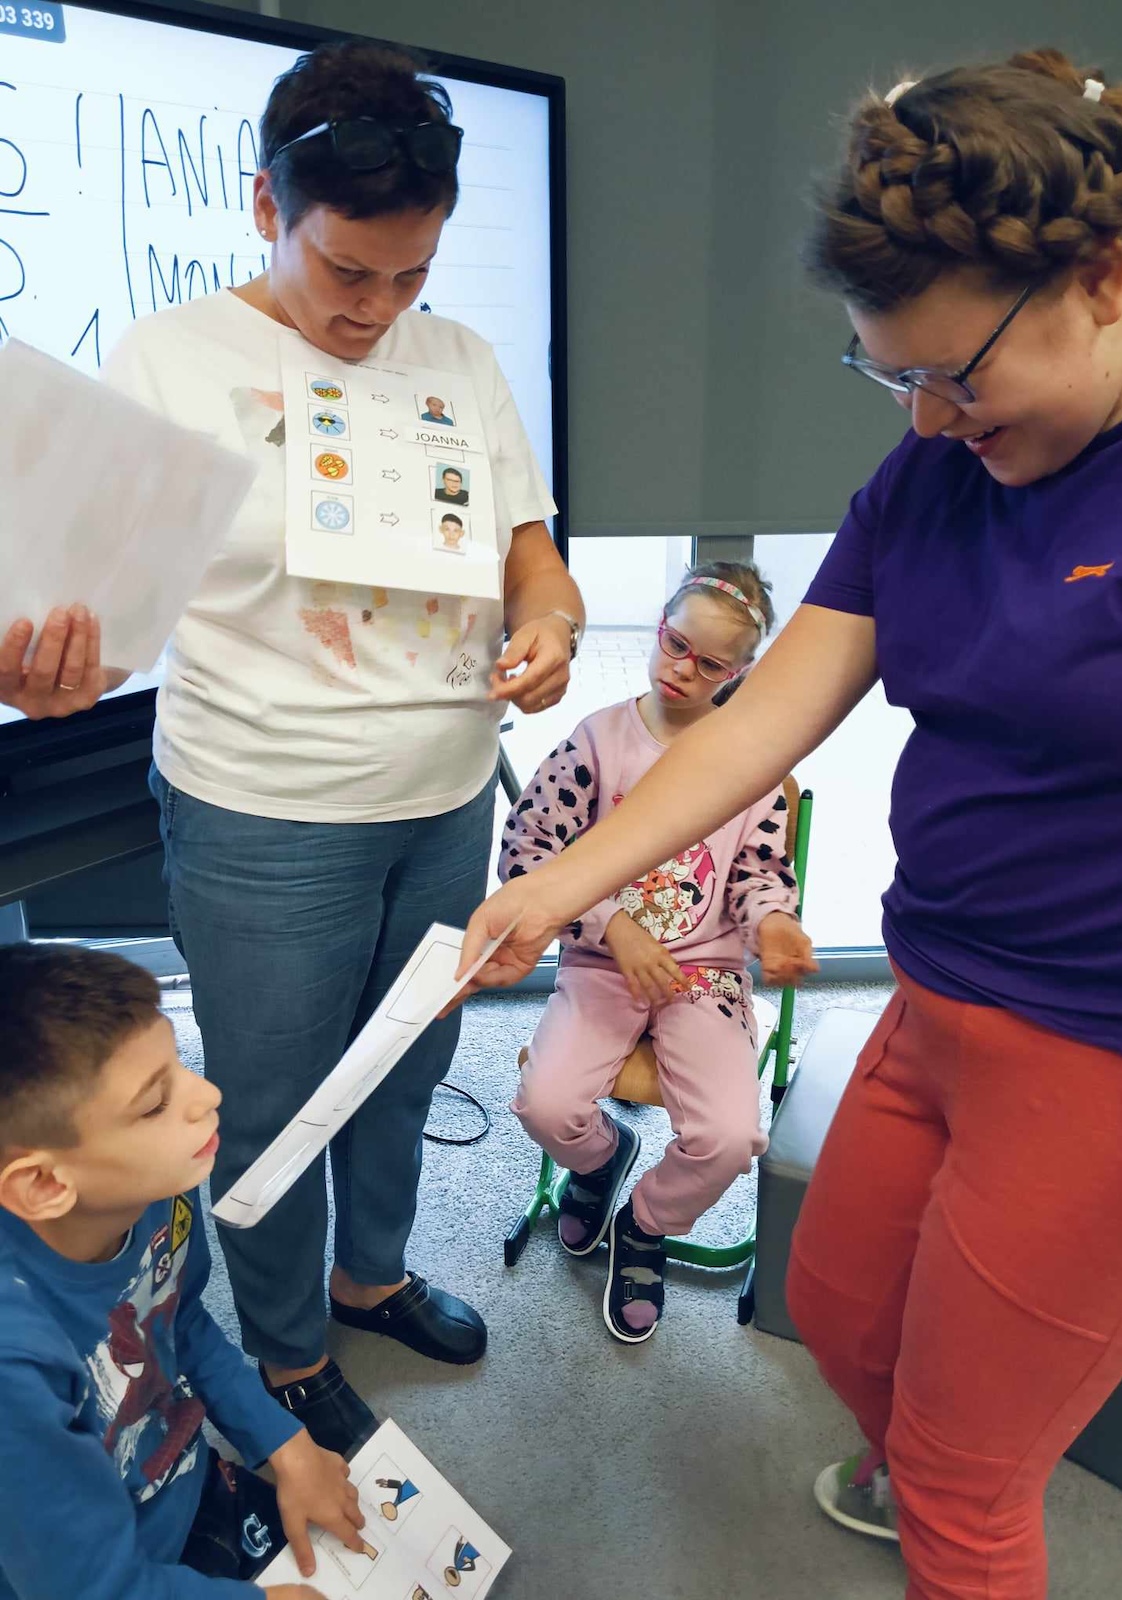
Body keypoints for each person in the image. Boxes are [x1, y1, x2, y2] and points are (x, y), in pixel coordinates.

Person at [456, 49, 1122, 1600]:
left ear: (1101, 278)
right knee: (851, 1326)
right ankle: (915, 1460)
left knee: (963, 1485)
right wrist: (552, 889)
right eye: (889, 377)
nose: (923, 420)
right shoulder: (934, 473)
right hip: (935, 1003)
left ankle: (942, 1498)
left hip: (1118, 1053)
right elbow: (759, 726)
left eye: (957, 376)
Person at [0, 41, 584, 1460]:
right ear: (269, 208)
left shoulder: (460, 360)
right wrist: (49, 664)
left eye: (410, 276)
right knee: (269, 1103)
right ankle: (284, 1346)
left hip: (446, 795)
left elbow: (529, 553)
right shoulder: (173, 359)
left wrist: (554, 620)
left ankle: (371, 1277)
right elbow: (106, 621)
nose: (376, 309)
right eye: (347, 272)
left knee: (407, 1064)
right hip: (263, 807)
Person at [502, 564, 817, 1341]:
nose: (682, 669)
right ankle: (599, 1161)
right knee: (545, 1107)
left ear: (738, 672)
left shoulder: (753, 764)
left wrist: (774, 922)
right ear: (658, 629)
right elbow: (527, 852)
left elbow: (758, 875)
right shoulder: (596, 743)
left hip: (703, 973)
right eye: (675, 645)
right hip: (602, 960)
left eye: (709, 664)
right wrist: (612, 924)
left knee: (730, 1138)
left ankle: (645, 1223)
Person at [0, 942, 365, 1600]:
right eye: (153, 1104)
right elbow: (84, 1588)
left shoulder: (157, 1186)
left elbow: (181, 1318)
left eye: (178, 1065)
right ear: (45, 1184)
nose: (207, 1096)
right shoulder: (13, 1364)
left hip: (176, 1480)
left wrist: (281, 1442)